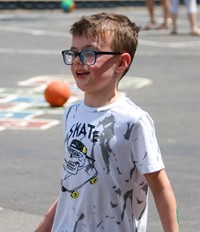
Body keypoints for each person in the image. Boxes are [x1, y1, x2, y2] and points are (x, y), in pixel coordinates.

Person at [35, 13, 179, 232]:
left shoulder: (133, 121)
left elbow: (160, 188)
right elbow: (73, 187)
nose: (77, 61)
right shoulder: (71, 114)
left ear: (121, 62)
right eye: (74, 53)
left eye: (89, 53)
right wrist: (44, 226)